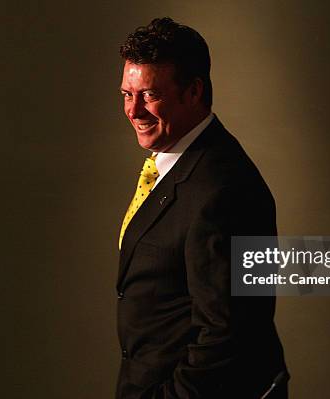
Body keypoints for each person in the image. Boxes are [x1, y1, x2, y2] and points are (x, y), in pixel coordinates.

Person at [116, 17, 288, 399]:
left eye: (150, 95)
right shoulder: (173, 162)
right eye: (127, 94)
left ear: (193, 91)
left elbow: (228, 334)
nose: (134, 111)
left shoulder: (224, 189)